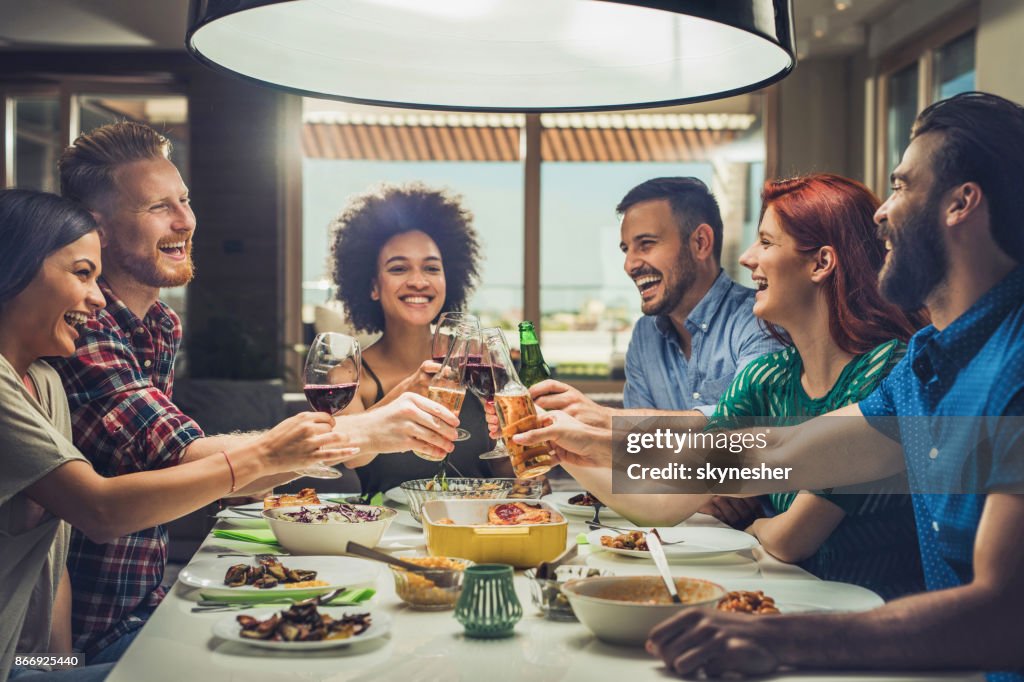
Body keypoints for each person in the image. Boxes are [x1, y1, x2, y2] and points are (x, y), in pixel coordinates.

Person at [516, 92, 1024, 679]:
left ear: (962, 204)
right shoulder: (923, 365)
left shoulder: (1012, 363)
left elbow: (1006, 616)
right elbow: (777, 452)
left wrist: (783, 638)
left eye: (904, 187)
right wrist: (594, 443)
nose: (882, 212)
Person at [51, 123, 459, 663]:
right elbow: (179, 457)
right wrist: (367, 427)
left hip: (147, 603)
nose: (186, 220)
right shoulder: (81, 326)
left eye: (185, 200)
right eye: (157, 207)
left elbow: (209, 477)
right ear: (98, 229)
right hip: (90, 640)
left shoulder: (159, 327)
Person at [0, 189, 347, 682]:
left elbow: (49, 570)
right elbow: (99, 510)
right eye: (82, 274)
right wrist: (263, 453)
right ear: (13, 271)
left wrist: (65, 667)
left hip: (31, 663)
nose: (98, 299)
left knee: (251, 655)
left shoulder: (44, 381)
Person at [528, 177, 781, 526]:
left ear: (701, 242)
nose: (630, 264)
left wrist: (603, 419)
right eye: (625, 249)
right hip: (671, 530)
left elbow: (751, 435)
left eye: (645, 245)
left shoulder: (759, 321)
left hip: (752, 543)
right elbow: (637, 463)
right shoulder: (645, 336)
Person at [330, 183, 512, 496]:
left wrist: (517, 438)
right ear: (372, 286)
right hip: (386, 539)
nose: (418, 281)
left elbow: (506, 472)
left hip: (479, 529)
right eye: (399, 268)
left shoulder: (477, 360)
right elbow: (353, 456)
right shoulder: (348, 376)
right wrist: (404, 393)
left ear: (448, 281)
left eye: (431, 268)